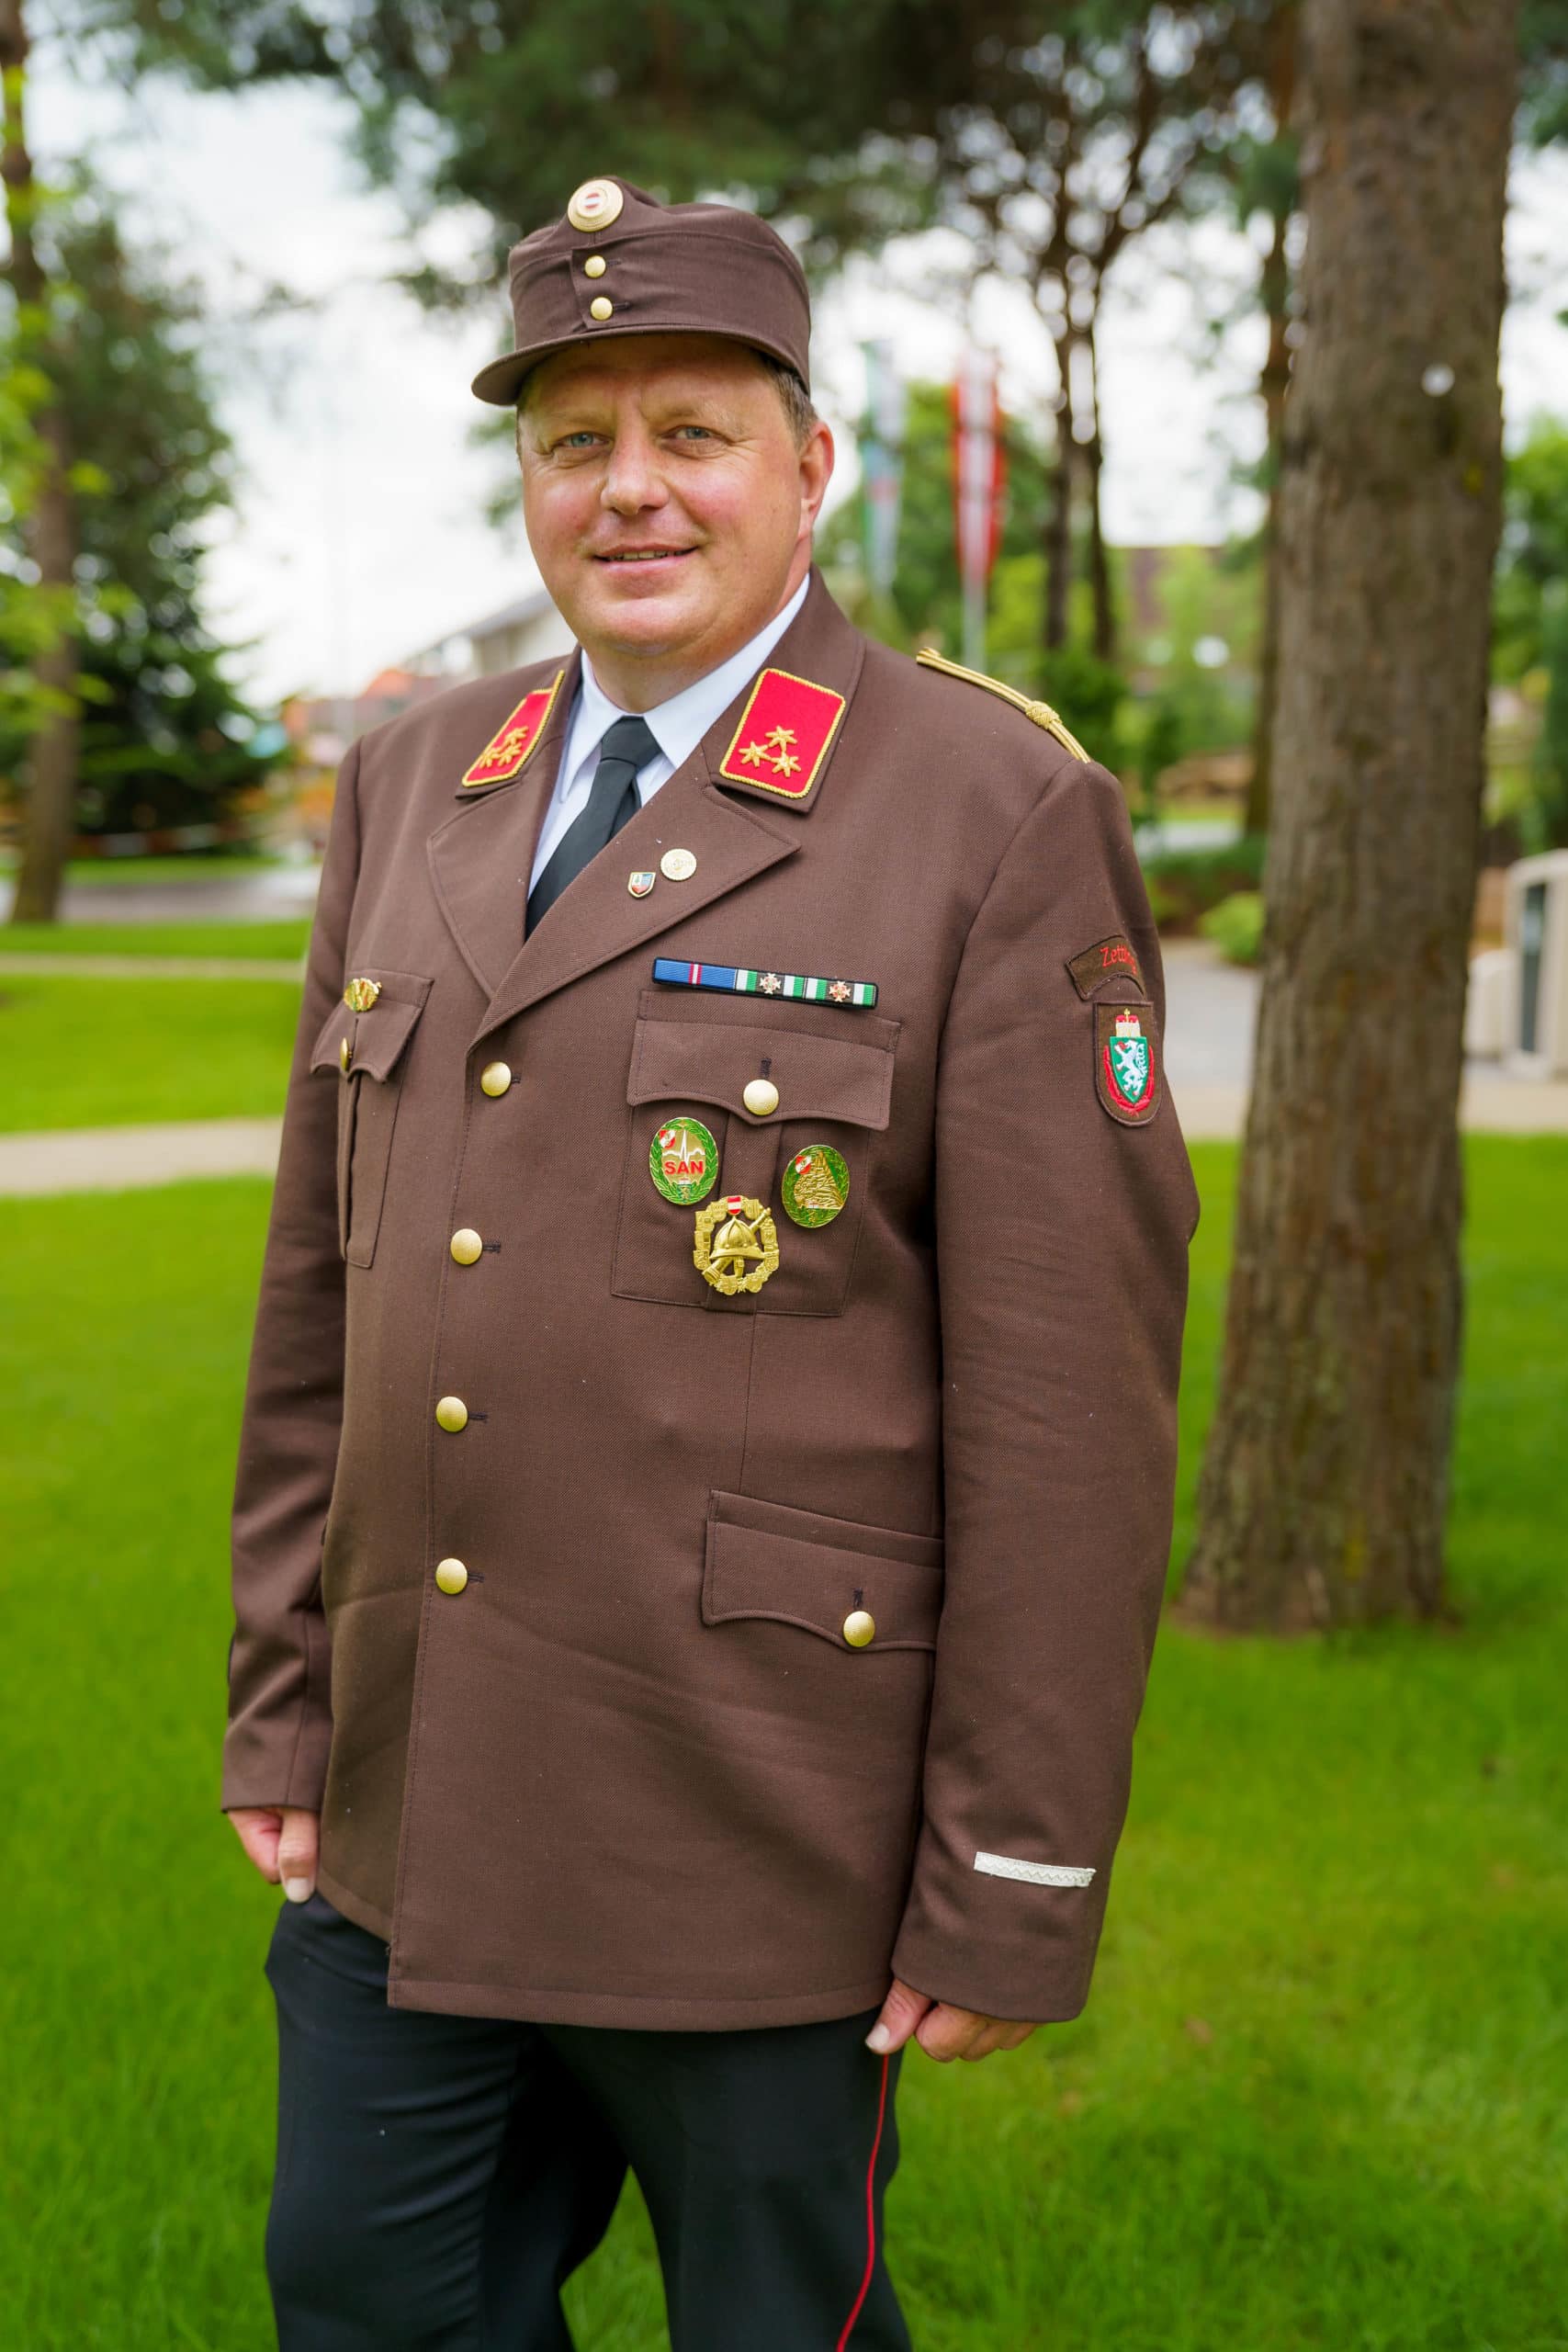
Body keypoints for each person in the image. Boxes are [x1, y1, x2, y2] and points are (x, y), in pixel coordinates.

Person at [221, 174, 1201, 2351]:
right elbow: (326, 1296)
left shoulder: (981, 803)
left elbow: (1065, 1398)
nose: (630, 487)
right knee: (363, 2296)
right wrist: (284, 1697)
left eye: (692, 429)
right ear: (528, 482)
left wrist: (1014, 1866)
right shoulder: (410, 781)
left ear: (805, 464)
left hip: (759, 1819)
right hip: (413, 1789)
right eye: (575, 440)